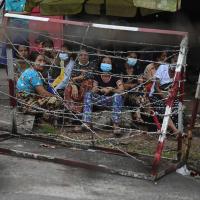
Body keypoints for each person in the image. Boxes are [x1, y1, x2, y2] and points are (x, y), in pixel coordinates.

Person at [83, 56, 124, 136]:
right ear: (101, 64)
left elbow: (122, 90)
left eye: (108, 62)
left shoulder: (115, 77)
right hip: (99, 100)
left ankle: (116, 125)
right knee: (88, 94)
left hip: (111, 101)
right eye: (104, 62)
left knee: (117, 95)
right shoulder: (98, 76)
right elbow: (94, 88)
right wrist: (97, 89)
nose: (106, 64)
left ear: (112, 65)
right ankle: (87, 122)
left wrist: (111, 89)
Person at [62, 49, 97, 113]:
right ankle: (70, 109)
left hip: (86, 87)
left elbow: (90, 75)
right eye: (81, 55)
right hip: (77, 85)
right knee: (69, 87)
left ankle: (81, 108)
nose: (83, 57)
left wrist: (77, 78)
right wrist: (74, 86)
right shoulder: (75, 65)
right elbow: (71, 79)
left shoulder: (92, 64)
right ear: (78, 57)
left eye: (85, 55)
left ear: (88, 56)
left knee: (88, 82)